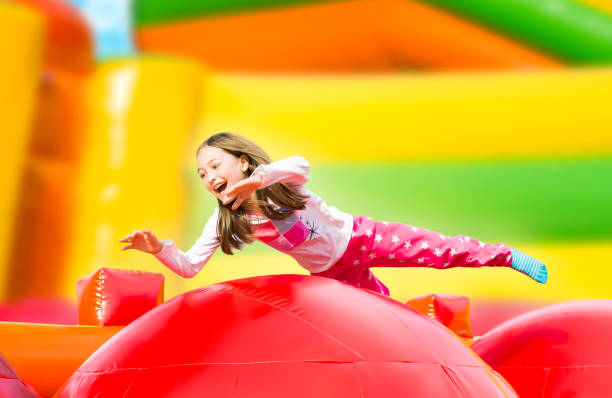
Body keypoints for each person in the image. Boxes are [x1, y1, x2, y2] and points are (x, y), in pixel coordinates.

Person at [118, 132, 548, 296]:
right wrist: (158, 248)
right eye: (201, 173)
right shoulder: (228, 219)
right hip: (331, 274)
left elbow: (301, 165)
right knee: (380, 315)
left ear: (243, 162)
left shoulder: (277, 180)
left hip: (361, 237)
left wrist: (260, 180)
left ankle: (505, 256)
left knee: (439, 251)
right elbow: (190, 266)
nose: (209, 176)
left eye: (215, 165)